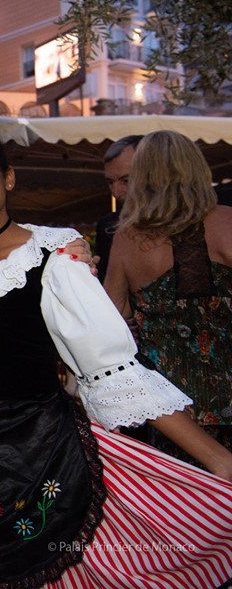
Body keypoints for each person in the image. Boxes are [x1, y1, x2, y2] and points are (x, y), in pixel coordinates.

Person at [0, 127, 232, 588]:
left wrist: (218, 460)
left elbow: (112, 368)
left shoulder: (53, 254)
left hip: (37, 457)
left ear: (10, 178)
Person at [104, 130, 232, 463]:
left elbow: (109, 325)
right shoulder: (227, 222)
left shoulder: (128, 239)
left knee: (194, 513)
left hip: (174, 416)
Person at [94, 134, 141, 283]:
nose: (116, 192)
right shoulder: (108, 226)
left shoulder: (193, 224)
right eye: (110, 182)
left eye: (126, 181)